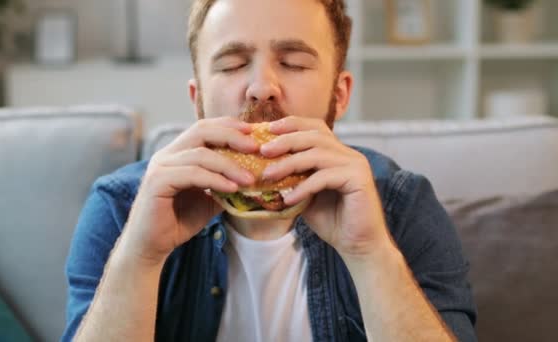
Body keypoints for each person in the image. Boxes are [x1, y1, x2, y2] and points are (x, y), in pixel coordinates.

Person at [62, 0, 477, 341]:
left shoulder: (402, 204)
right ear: (198, 99)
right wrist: (140, 256)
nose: (262, 86)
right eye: (231, 65)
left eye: (294, 63)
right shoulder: (121, 207)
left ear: (340, 94)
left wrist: (370, 255)